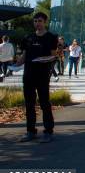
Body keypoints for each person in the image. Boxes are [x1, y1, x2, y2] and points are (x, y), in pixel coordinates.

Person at [16, 12, 58, 143]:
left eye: (39, 21)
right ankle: (30, 131)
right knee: (29, 104)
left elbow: (53, 55)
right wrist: (16, 63)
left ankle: (48, 132)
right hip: (28, 75)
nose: (37, 23)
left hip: (43, 75)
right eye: (35, 21)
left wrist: (46, 59)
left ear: (45, 22)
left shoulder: (51, 37)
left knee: (45, 103)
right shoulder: (28, 37)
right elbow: (23, 55)